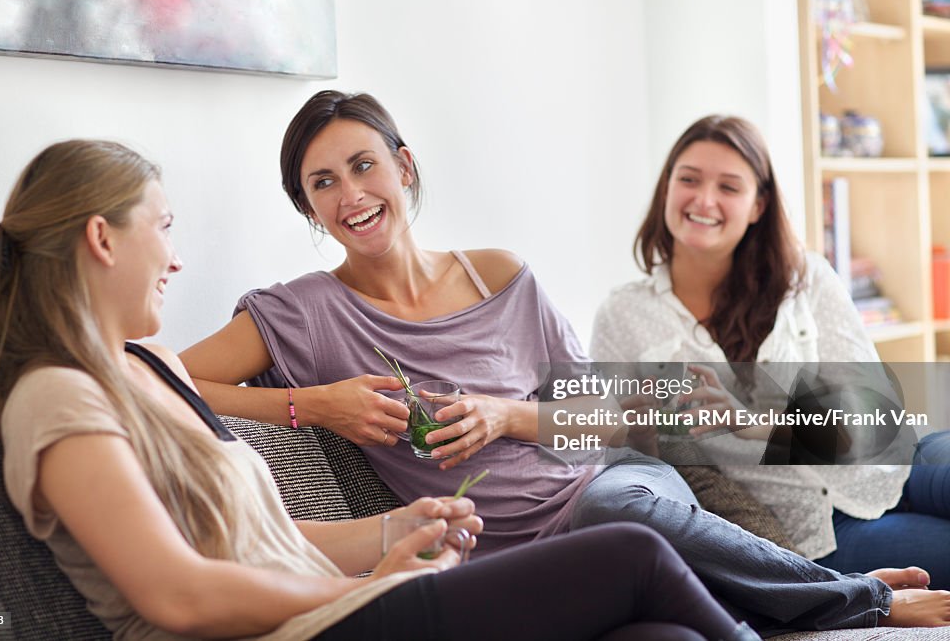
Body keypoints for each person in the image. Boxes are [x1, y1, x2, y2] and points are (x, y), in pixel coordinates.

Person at [181, 91, 950, 634]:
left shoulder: (499, 275)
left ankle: (859, 602)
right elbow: (160, 378)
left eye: (363, 165)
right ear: (307, 207)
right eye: (323, 183)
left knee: (617, 508)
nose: (350, 194)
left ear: (403, 167)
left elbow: (604, 421)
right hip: (512, 547)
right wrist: (313, 406)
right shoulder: (304, 311)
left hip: (613, 482)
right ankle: (818, 598)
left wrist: (505, 415)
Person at [0, 138, 761, 641]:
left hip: (340, 609)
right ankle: (861, 603)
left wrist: (391, 531)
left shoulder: (143, 370)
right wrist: (368, 584)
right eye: (166, 228)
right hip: (305, 630)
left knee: (658, 633)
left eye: (364, 166)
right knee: (633, 552)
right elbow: (178, 595)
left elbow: (254, 533)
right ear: (99, 238)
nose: (176, 260)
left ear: (404, 169)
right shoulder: (53, 397)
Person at [590, 114, 950, 589]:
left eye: (729, 186)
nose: (704, 200)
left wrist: (755, 421)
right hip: (819, 532)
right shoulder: (623, 315)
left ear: (758, 204)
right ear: (666, 189)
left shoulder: (807, 278)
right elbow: (620, 456)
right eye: (689, 179)